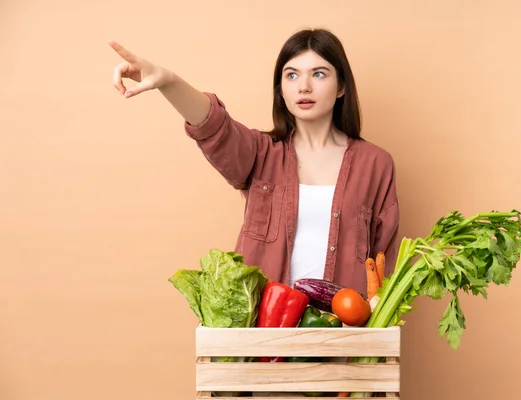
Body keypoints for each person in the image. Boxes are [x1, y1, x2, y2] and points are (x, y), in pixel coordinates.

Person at [110, 28, 400, 294]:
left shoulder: (376, 164)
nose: (304, 87)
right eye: (292, 75)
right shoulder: (260, 153)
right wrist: (168, 82)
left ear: (341, 87)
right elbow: (214, 127)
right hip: (262, 336)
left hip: (343, 339)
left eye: (320, 74)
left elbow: (385, 265)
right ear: (281, 89)